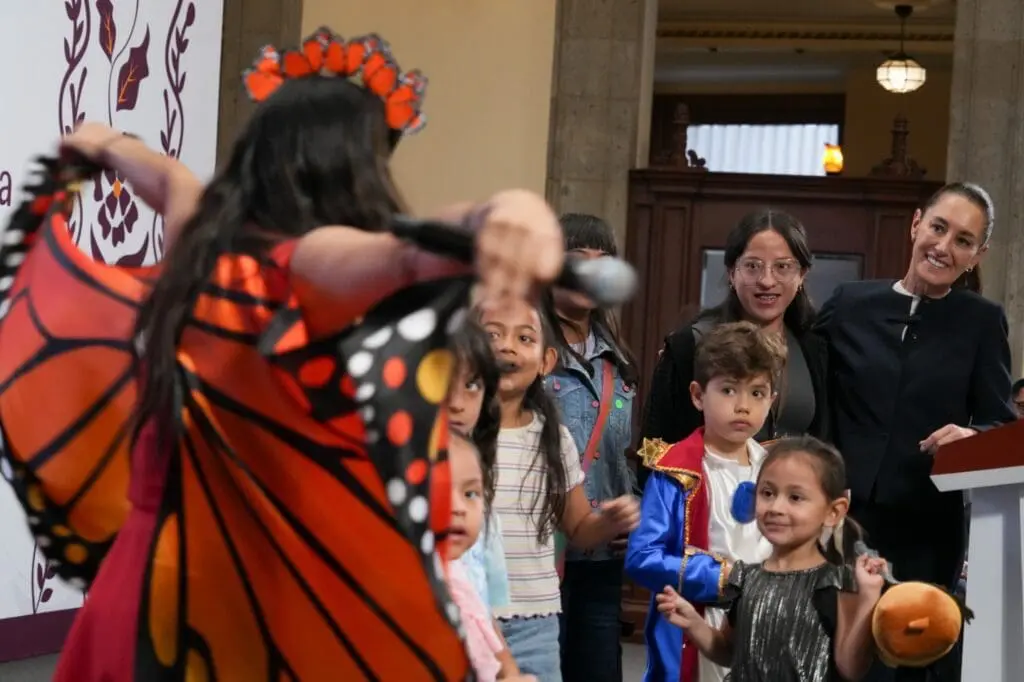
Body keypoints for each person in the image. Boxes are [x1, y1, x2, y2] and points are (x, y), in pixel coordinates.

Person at [0, 28, 567, 682]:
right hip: (238, 611)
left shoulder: (196, 255)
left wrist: (106, 143)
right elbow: (399, 253)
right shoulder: (305, 266)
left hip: (142, 585)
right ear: (352, 171)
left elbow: (173, 179)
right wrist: (493, 215)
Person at [815, 181, 1017, 681]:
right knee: (833, 655)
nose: (944, 246)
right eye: (938, 228)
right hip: (840, 519)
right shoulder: (849, 303)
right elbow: (808, 392)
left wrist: (974, 436)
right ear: (915, 224)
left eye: (963, 240)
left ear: (977, 255)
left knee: (906, 659)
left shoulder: (982, 321)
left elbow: (1000, 420)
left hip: (926, 525)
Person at [479, 298, 640, 682]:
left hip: (535, 622)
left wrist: (609, 521)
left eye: (524, 338)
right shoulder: (452, 436)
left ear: (546, 361)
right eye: (492, 335)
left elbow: (579, 527)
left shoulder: (553, 439)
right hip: (469, 614)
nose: (507, 346)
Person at [655, 436, 886, 682]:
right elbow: (729, 653)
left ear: (833, 511)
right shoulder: (745, 579)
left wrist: (868, 599)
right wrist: (694, 623)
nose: (776, 507)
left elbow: (851, 668)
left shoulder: (837, 583)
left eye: (795, 497)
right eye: (767, 493)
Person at [625, 322, 779, 682]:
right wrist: (720, 577)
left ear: (772, 400)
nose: (743, 406)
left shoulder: (777, 469)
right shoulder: (675, 471)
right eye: (728, 390)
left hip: (766, 621)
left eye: (757, 393)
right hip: (699, 619)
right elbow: (642, 557)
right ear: (698, 395)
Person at [639, 209, 828, 489]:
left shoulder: (815, 347)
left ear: (802, 275)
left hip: (789, 504)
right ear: (731, 272)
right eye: (752, 266)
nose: (767, 280)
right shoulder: (691, 344)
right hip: (706, 502)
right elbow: (655, 446)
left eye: (783, 267)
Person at [546, 213, 638, 682]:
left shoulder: (616, 359)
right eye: (577, 259)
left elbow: (622, 454)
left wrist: (633, 510)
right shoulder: (527, 349)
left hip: (602, 555)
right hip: (542, 551)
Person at [445, 432, 534, 681]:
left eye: (470, 494)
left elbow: (484, 625)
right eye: (439, 490)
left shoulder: (461, 575)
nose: (458, 508)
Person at [448, 319, 511, 611]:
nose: (457, 403)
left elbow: (490, 605)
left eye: (472, 385)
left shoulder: (479, 481)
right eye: (442, 383)